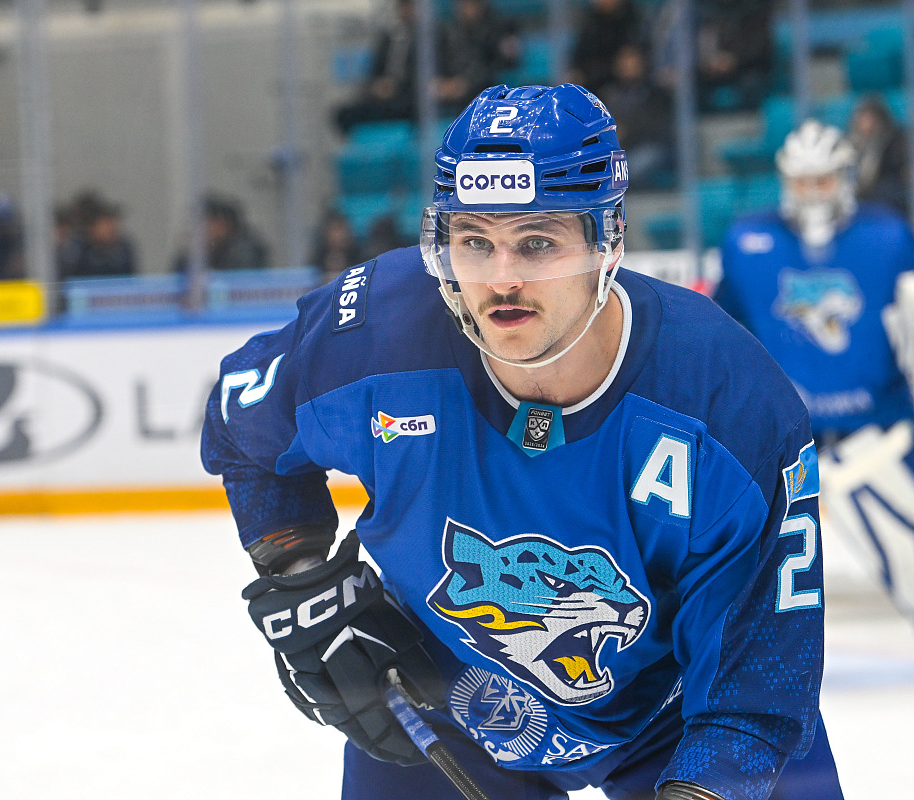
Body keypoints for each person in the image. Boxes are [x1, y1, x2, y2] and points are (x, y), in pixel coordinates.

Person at [202, 84, 843, 800]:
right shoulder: (375, 336)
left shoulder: (727, 401)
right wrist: (301, 578)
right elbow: (241, 427)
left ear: (607, 241)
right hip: (446, 698)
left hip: (679, 716)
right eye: (475, 242)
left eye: (537, 242)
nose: (501, 279)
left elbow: (755, 688)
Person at [712, 120, 914, 661]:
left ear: (845, 177)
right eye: (802, 181)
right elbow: (725, 329)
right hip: (787, 431)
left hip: (878, 423)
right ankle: (737, 646)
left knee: (904, 527)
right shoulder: (746, 242)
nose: (812, 193)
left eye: (823, 180)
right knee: (744, 544)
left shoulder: (888, 236)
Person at [334, 0, 421, 135]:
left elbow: (423, 75)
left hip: (409, 96)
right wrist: (377, 86)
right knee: (344, 113)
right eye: (402, 8)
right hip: (384, 97)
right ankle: (364, 144)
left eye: (409, 8)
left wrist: (397, 86)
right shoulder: (387, 38)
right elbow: (374, 72)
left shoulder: (427, 39)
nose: (405, 12)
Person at [597, 42, 674, 190]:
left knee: (634, 165)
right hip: (616, 148)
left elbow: (656, 127)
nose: (627, 64)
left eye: (632, 59)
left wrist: (626, 131)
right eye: (623, 59)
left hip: (648, 146)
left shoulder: (655, 93)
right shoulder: (609, 93)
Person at [434, 0, 520, 116]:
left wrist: (465, 83)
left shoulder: (499, 28)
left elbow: (497, 65)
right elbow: (438, 60)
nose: (466, 8)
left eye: (471, 4)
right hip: (451, 89)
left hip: (482, 89)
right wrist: (443, 83)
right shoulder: (447, 31)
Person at [174, 194, 270, 273]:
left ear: (222, 224)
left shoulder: (245, 251)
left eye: (205, 222)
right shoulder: (198, 250)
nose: (199, 228)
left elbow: (240, 283)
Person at [566, 0, 644, 96]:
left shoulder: (632, 23)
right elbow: (578, 57)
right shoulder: (590, 22)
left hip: (619, 84)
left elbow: (633, 60)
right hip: (593, 81)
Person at [848, 93, 908, 217]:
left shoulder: (892, 142)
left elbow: (896, 173)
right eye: (862, 118)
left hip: (885, 198)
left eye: (869, 118)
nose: (865, 123)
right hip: (859, 198)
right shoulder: (850, 144)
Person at [58, 192, 139, 279]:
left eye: (113, 223)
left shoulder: (123, 250)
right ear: (92, 227)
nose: (112, 229)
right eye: (106, 223)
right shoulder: (77, 252)